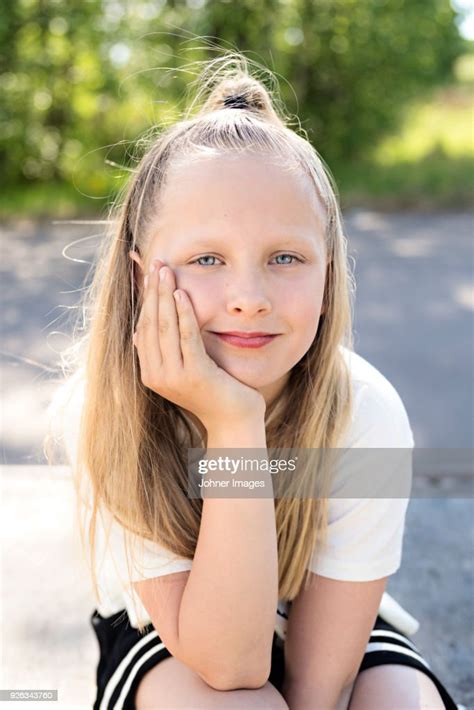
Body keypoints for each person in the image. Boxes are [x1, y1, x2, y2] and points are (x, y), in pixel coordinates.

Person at [46, 54, 460, 710]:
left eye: (286, 258)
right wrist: (234, 425)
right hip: (175, 637)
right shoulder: (107, 412)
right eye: (207, 259)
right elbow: (231, 663)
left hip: (326, 622)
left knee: (400, 701)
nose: (248, 297)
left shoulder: (365, 411)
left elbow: (322, 687)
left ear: (329, 277)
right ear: (138, 277)